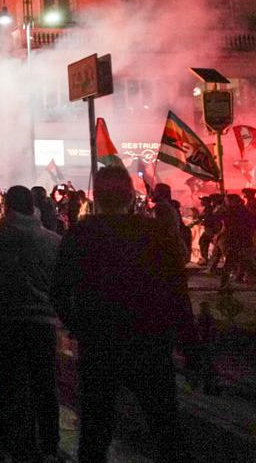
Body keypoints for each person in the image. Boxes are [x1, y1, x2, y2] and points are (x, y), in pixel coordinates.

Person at [52, 166, 198, 463]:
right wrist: (192, 349)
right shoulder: (156, 232)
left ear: (98, 199)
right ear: (131, 196)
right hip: (151, 342)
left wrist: (80, 327)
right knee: (165, 428)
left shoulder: (81, 234)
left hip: (100, 345)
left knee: (95, 431)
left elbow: (58, 293)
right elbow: (178, 297)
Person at [0, 186, 61, 463]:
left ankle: (4, 447)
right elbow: (62, 286)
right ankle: (48, 447)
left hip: (3, 321)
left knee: (4, 387)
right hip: (42, 323)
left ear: (6, 206)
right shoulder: (54, 242)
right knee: (45, 385)